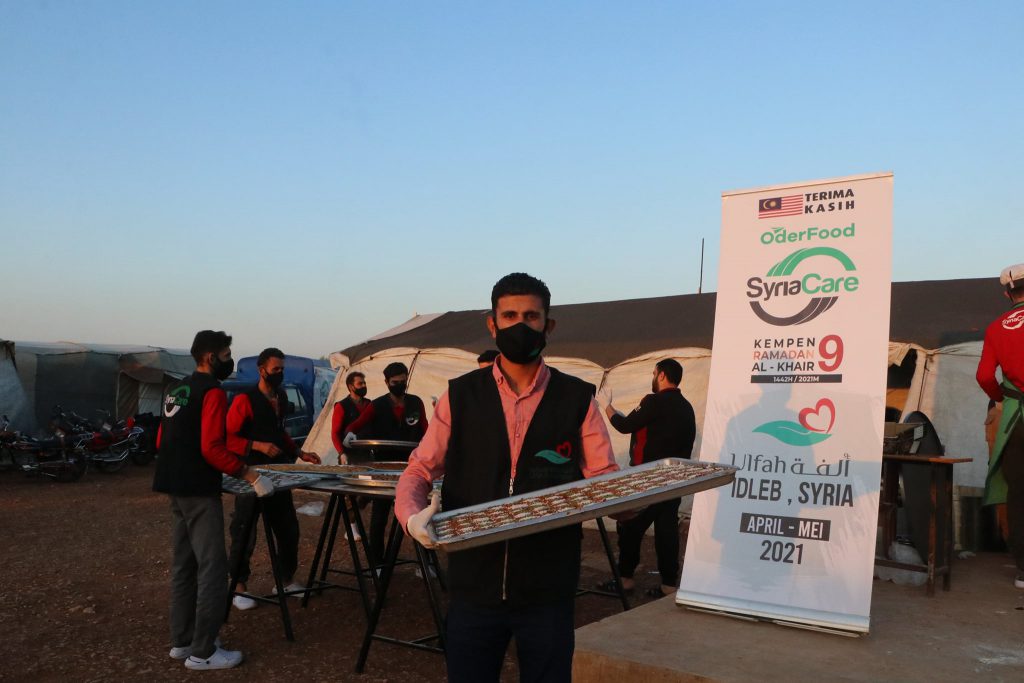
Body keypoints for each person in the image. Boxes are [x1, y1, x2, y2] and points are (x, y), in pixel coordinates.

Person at [397, 272, 618, 683]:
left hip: (548, 586)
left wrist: (635, 499)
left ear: (548, 325)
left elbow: (604, 478)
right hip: (473, 583)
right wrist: (412, 517)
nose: (520, 325)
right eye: (510, 315)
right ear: (492, 323)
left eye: (531, 316)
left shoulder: (576, 398)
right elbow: (420, 469)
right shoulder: (461, 395)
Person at [152, 330, 274, 671]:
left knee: (184, 565)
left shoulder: (177, 389)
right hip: (198, 488)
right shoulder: (213, 392)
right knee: (212, 569)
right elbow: (212, 448)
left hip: (173, 484)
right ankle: (203, 651)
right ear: (210, 357)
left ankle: (183, 640)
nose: (229, 361)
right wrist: (250, 475)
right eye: (226, 355)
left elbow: (162, 439)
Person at [225, 348, 321, 610]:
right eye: (275, 369)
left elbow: (280, 433)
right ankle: (239, 586)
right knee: (244, 529)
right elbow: (228, 437)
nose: (280, 373)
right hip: (250, 474)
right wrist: (257, 445)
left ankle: (285, 580)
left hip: (277, 473)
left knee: (288, 528)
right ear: (262, 370)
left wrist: (300, 452)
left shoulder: (280, 396)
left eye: (282, 369)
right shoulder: (245, 400)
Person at [596, 359, 696, 597]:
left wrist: (606, 406)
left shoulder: (653, 401)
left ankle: (625, 579)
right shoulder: (686, 407)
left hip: (648, 479)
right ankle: (669, 584)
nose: (653, 378)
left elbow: (625, 425)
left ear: (661, 375)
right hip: (674, 479)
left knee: (629, 525)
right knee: (666, 531)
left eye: (654, 373)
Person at [343, 361, 428, 567]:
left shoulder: (415, 403)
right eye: (395, 382)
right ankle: (377, 563)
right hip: (384, 467)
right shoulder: (377, 405)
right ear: (387, 382)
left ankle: (425, 565)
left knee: (418, 514)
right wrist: (350, 434)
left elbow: (426, 429)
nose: (399, 385)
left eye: (403, 381)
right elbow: (357, 424)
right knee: (379, 516)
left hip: (411, 466)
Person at [976, 262, 1024, 589]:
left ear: (1008, 293)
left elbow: (983, 376)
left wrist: (999, 398)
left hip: (1016, 418)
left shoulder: (996, 328)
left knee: (1018, 493)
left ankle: (1023, 570)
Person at [331, 371, 370, 463]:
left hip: (367, 454)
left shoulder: (368, 404)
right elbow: (335, 433)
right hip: (349, 455)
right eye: (360, 383)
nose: (364, 386)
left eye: (364, 383)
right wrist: (341, 453)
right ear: (351, 386)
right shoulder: (341, 406)